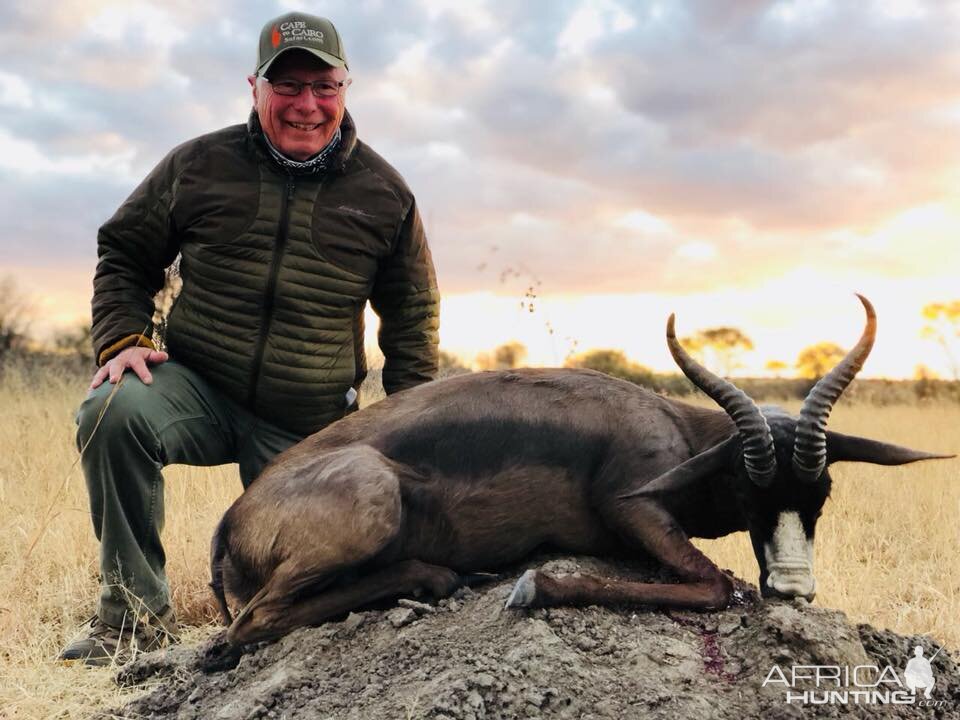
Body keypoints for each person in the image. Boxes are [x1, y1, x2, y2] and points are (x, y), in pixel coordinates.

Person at [59, 12, 439, 665]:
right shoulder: (199, 164)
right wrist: (122, 338)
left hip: (311, 425)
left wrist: (418, 425)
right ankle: (130, 621)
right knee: (111, 410)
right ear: (254, 87)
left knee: (323, 594)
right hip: (198, 388)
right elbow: (124, 251)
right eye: (287, 85)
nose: (306, 105)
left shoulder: (385, 194)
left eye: (324, 87)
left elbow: (412, 312)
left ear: (347, 88)